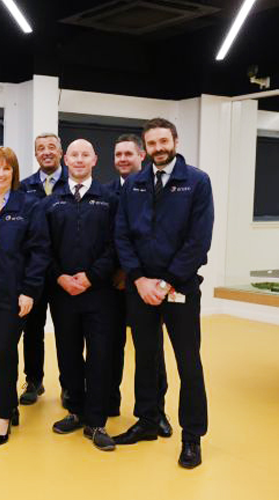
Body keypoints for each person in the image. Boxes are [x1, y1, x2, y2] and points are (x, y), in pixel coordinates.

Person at [113, 118, 214, 469]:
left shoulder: (197, 182)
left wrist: (166, 281)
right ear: (146, 148)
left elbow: (198, 241)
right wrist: (139, 279)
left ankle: (192, 437)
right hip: (140, 288)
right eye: (152, 143)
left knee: (188, 361)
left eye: (163, 141)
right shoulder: (135, 185)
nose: (158, 148)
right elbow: (122, 235)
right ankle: (147, 420)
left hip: (179, 287)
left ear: (174, 140)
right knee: (146, 358)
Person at [0, 146, 48, 445]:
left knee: (3, 350)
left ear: (14, 173)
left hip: (13, 287)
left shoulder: (29, 205)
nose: (0, 174)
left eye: (6, 169)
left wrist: (29, 290)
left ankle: (3, 417)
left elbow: (39, 252)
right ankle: (11, 404)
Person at [43, 139, 118, 451]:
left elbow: (117, 245)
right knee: (68, 354)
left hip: (99, 293)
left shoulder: (110, 199)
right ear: (65, 158)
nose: (78, 159)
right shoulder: (51, 201)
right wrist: (60, 277)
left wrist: (90, 277)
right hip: (63, 294)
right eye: (73, 154)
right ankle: (75, 410)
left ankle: (96, 420)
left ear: (94, 159)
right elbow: (42, 246)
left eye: (85, 154)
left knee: (101, 356)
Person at [105, 134, 171, 435]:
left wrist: (134, 275)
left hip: (144, 283)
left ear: (141, 155)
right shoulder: (106, 192)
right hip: (110, 283)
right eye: (118, 154)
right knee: (111, 344)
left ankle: (157, 411)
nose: (122, 159)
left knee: (151, 350)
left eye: (128, 154)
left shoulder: (157, 189)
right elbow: (112, 237)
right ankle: (110, 398)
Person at [17, 132, 68, 406]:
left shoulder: (72, 184)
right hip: (34, 272)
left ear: (60, 152)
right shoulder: (24, 187)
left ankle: (69, 384)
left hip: (63, 273)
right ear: (35, 154)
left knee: (66, 331)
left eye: (51, 147)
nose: (46, 152)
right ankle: (33, 380)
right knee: (32, 329)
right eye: (40, 148)